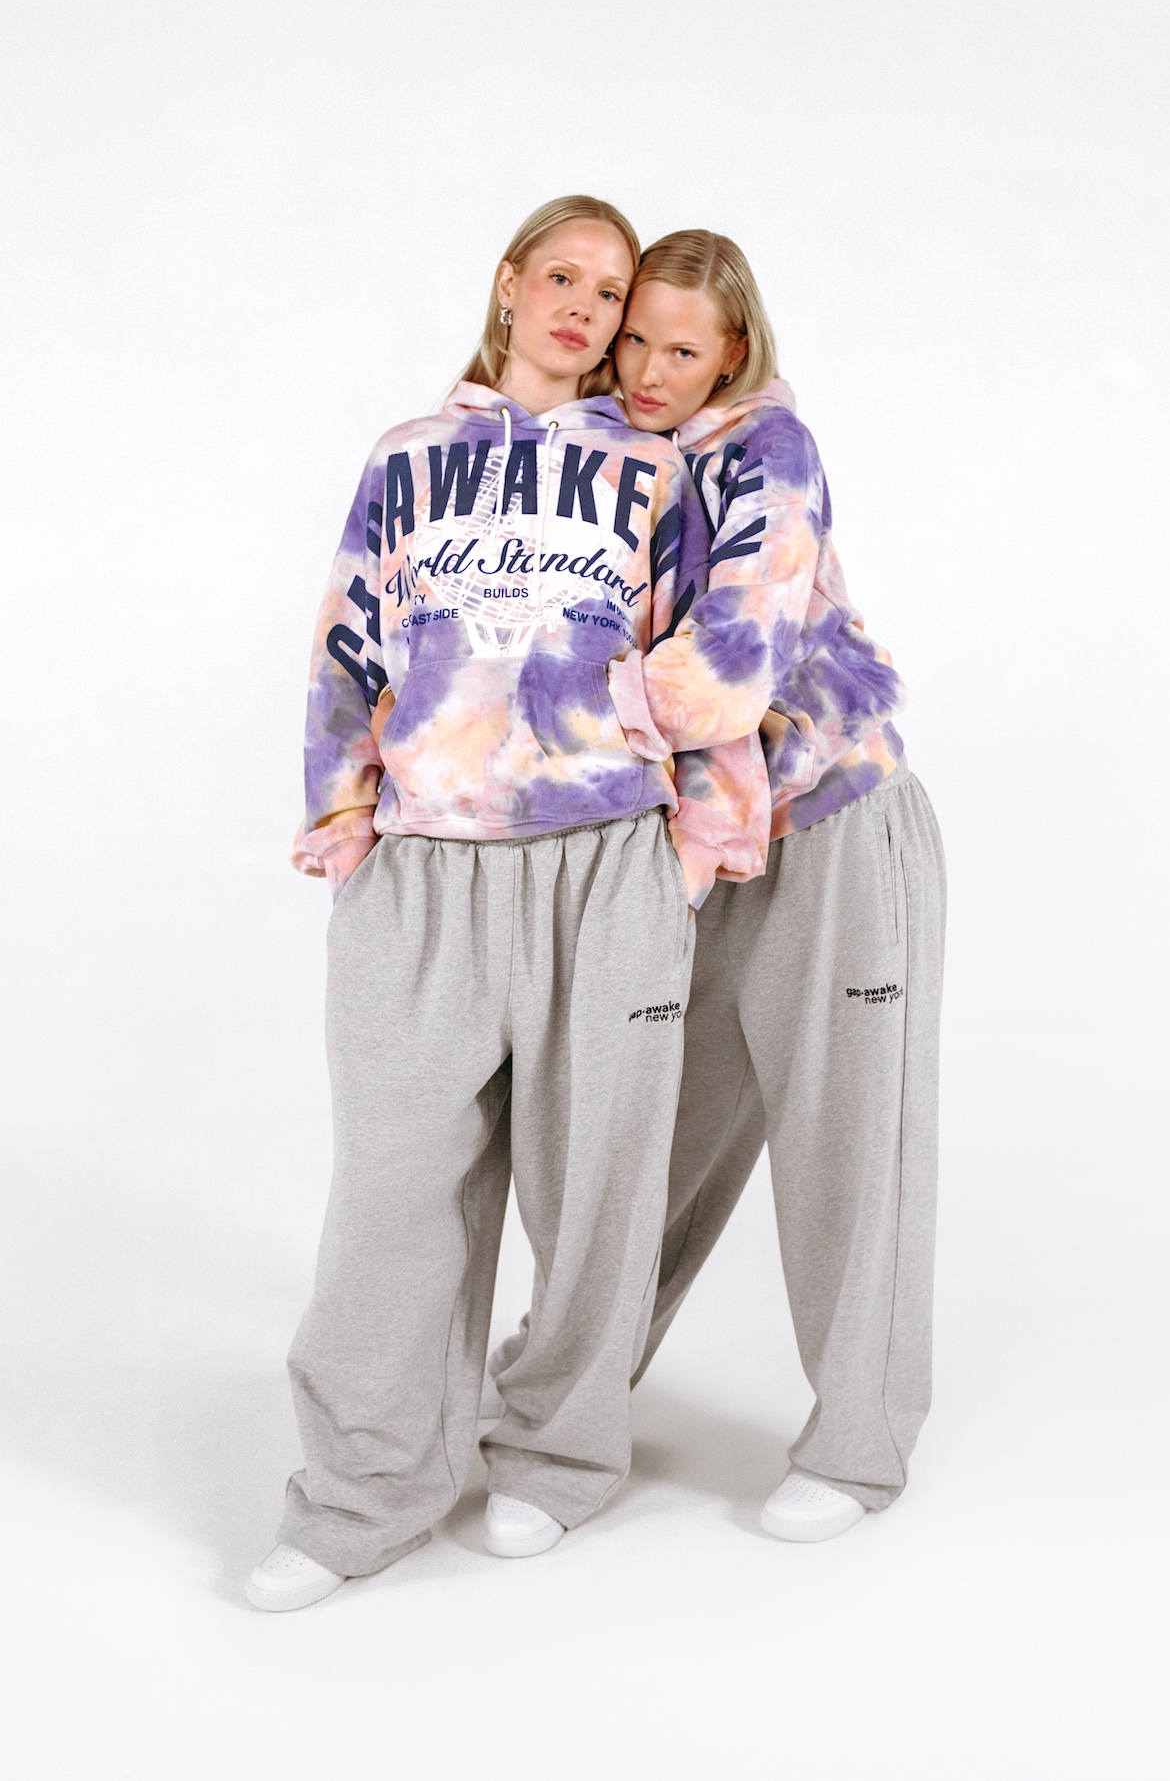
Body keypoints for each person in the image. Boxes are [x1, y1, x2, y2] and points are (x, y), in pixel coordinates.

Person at [247, 198, 721, 1612]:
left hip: (607, 858)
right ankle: (361, 1491)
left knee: (595, 1192)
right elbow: (347, 636)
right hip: (426, 866)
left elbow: (715, 661)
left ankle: (558, 1458)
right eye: (561, 276)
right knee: (393, 1193)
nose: (584, 307)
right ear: (511, 285)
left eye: (611, 292)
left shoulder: (657, 470)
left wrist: (701, 845)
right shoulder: (408, 456)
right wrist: (342, 807)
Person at [492, 229, 946, 1544]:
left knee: (845, 1142)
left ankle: (859, 1445)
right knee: (640, 1133)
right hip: (698, 840)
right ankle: (560, 1402)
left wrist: (548, 716)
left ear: (733, 351)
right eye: (632, 337)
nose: (645, 369)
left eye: (680, 349)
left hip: (834, 825)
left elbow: (731, 668)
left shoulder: (769, 453)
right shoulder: (616, 456)